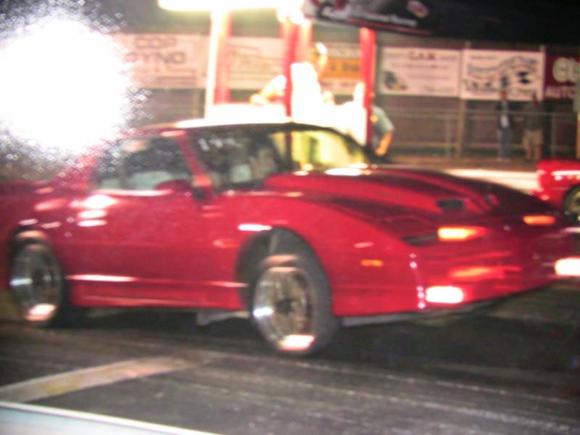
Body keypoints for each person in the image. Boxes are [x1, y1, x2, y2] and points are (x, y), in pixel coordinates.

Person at [341, 82, 395, 159]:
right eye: (359, 92)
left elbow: (388, 131)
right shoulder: (347, 108)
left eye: (364, 93)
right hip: (349, 153)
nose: (360, 95)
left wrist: (382, 149)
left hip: (369, 154)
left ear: (371, 95)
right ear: (354, 93)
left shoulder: (375, 111)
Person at [522, 92, 544, 161]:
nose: (533, 99)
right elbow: (524, 117)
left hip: (537, 128)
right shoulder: (527, 107)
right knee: (527, 145)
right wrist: (524, 127)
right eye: (532, 97)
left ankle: (537, 158)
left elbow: (542, 117)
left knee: (537, 145)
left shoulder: (540, 106)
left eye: (535, 97)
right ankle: (528, 157)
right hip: (528, 128)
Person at [495, 89, 515, 161]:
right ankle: (501, 156)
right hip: (500, 124)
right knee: (500, 141)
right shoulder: (498, 103)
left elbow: (514, 110)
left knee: (508, 141)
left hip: (509, 124)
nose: (503, 96)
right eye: (501, 95)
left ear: (506, 95)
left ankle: (507, 156)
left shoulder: (510, 103)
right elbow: (495, 110)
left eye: (504, 95)